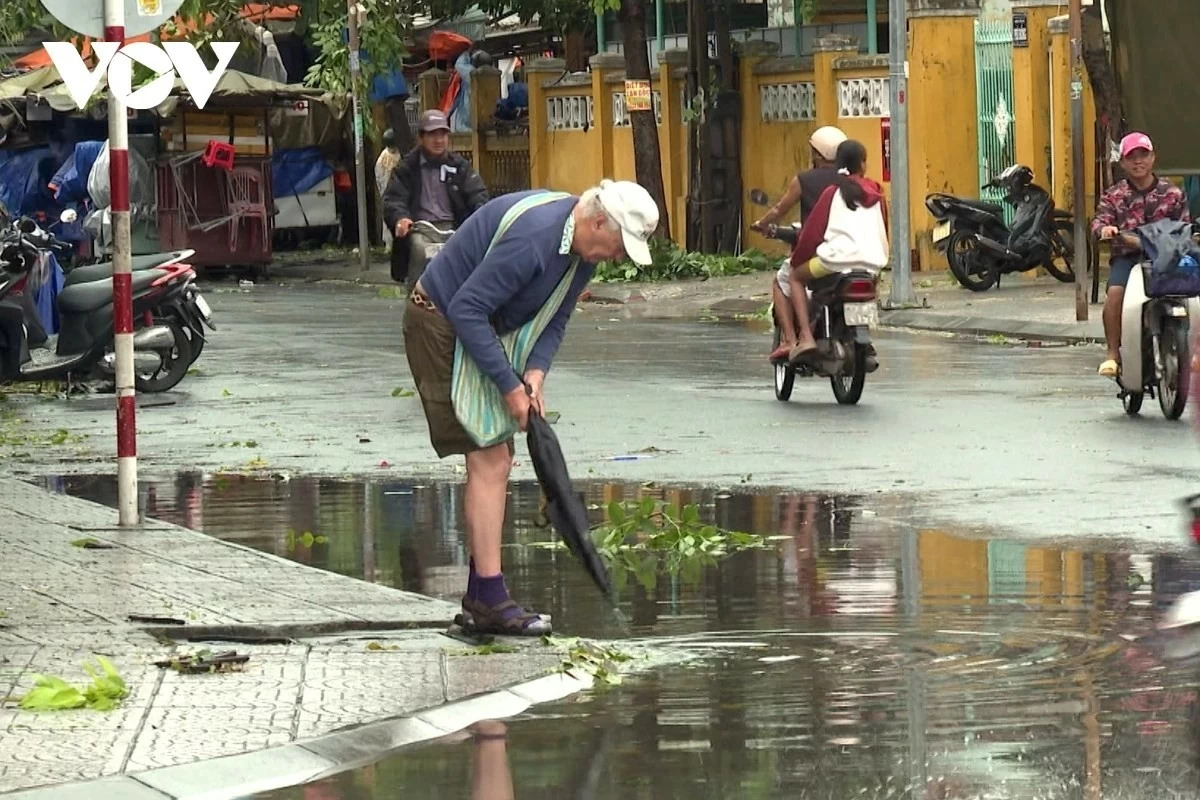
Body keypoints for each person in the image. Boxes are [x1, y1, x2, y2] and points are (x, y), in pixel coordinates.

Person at [403, 180, 657, 635]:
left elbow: (556, 316)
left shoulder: (583, 254)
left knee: (495, 459)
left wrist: (536, 373)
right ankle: (489, 599)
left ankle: (483, 595)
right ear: (598, 221)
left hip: (476, 325)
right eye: (619, 246)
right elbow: (466, 309)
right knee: (490, 458)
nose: (617, 258)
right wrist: (509, 387)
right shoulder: (536, 239)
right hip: (438, 321)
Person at [1092, 132, 1190, 378]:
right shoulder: (1114, 195)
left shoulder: (1173, 193)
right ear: (1123, 162)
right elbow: (1099, 222)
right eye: (1132, 157)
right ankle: (1113, 354)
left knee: (1193, 294)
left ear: (1153, 158)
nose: (1138, 162)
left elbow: (1185, 227)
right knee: (1115, 295)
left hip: (1165, 256)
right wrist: (1106, 229)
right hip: (1128, 257)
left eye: (1143, 155)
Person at [785, 139, 889, 362]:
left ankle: (806, 337)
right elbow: (884, 227)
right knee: (873, 283)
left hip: (833, 262)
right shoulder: (877, 192)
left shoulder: (832, 193)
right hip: (873, 261)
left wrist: (798, 258)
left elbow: (812, 233)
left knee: (794, 277)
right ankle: (864, 334)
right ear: (863, 165)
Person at [752, 126, 847, 360]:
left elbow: (779, 209)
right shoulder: (854, 181)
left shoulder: (804, 180)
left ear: (817, 154)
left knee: (785, 279)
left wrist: (762, 224)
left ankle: (794, 339)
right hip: (854, 255)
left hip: (820, 255)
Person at [382, 110, 489, 287]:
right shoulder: (407, 167)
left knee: (470, 267)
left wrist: (480, 216)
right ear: (421, 137)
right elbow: (393, 199)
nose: (439, 140)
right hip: (420, 229)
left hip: (455, 229)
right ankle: (416, 297)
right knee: (418, 250)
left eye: (443, 135)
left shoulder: (459, 166)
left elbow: (478, 194)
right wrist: (400, 219)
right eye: (432, 135)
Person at [374, 128, 402, 264]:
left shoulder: (381, 158)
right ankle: (389, 244)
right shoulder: (395, 156)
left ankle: (389, 245)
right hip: (392, 191)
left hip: (388, 191)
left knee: (390, 218)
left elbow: (378, 176)